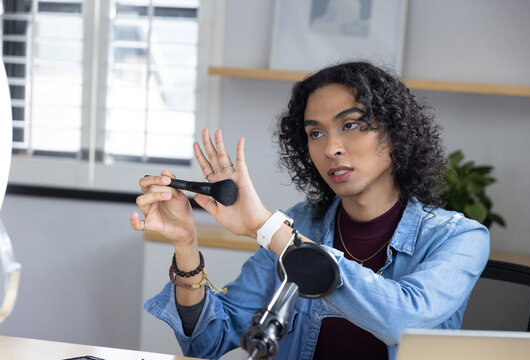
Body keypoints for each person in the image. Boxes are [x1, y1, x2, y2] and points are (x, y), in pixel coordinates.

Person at [130, 61, 490, 360]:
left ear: (395, 133)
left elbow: (402, 322)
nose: (331, 147)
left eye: (350, 125)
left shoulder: (460, 238)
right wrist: (186, 246)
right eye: (315, 133)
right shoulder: (300, 223)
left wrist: (268, 228)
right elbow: (207, 343)